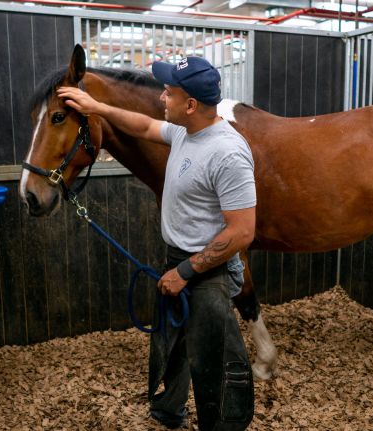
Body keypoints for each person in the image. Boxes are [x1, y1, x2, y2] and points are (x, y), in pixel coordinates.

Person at [58, 56, 256, 430]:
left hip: (206, 269)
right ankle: (169, 410)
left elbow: (242, 232)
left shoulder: (227, 152)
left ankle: (224, 424)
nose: (162, 97)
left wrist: (184, 272)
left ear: (192, 104)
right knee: (171, 346)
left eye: (169, 91)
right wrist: (96, 106)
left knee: (212, 359)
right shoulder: (186, 131)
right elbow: (146, 125)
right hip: (178, 259)